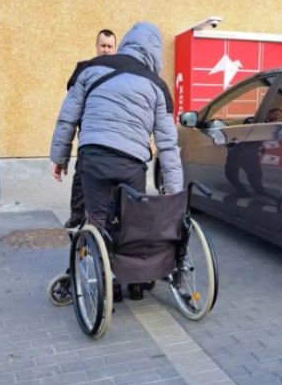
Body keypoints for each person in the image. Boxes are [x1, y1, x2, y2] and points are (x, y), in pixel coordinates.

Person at [50, 22, 183, 301]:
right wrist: (173, 191)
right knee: (130, 222)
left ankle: (93, 282)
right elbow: (167, 144)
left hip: (94, 156)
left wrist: (59, 158)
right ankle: (131, 281)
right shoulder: (158, 86)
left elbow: (68, 117)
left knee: (95, 220)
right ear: (155, 53)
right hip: (132, 162)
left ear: (124, 43)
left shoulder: (92, 68)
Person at [63, 29, 118, 228]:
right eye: (102, 46)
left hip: (115, 135)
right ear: (96, 47)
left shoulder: (122, 71)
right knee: (81, 178)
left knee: (114, 183)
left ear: (115, 48)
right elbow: (72, 103)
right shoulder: (83, 69)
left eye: (109, 46)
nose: (106, 50)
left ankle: (113, 221)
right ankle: (77, 217)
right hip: (90, 135)